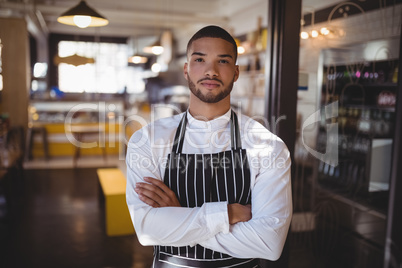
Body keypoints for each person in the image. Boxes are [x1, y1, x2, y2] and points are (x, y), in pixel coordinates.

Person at [126, 25, 292, 268]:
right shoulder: (147, 140)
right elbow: (147, 230)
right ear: (186, 69)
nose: (211, 71)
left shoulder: (268, 146)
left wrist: (179, 215)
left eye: (222, 61)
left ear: (235, 73)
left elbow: (269, 243)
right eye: (200, 59)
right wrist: (228, 214)